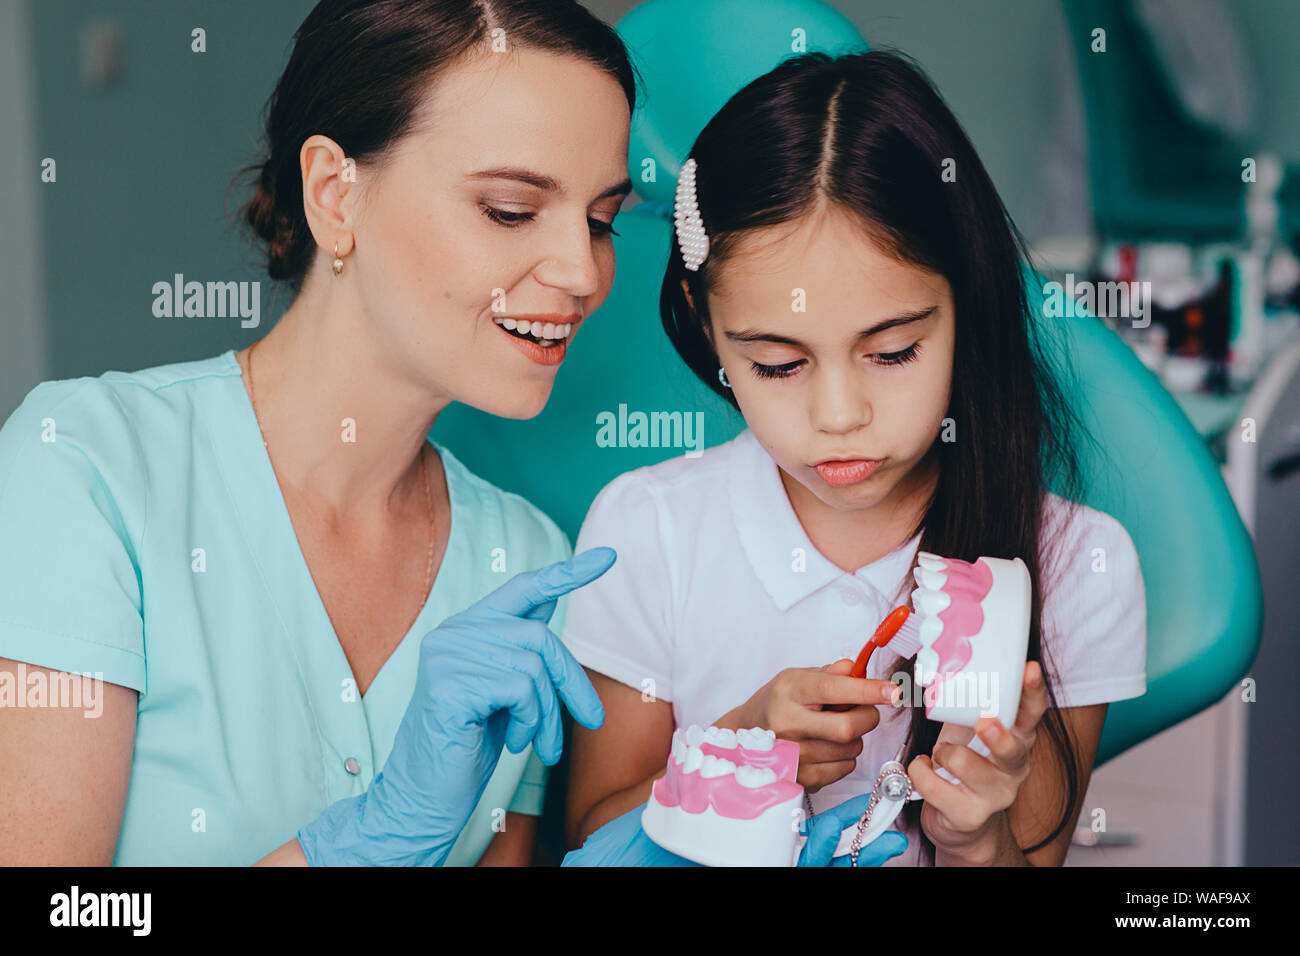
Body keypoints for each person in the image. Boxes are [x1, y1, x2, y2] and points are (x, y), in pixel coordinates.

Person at [0, 0, 638, 866]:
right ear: (336, 195)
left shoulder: (527, 563)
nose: (581, 272)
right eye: (511, 209)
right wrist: (365, 841)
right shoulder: (85, 470)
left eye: (600, 221)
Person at [562, 49, 1147, 867]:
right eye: (777, 364)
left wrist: (977, 837)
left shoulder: (1079, 564)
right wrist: (737, 756)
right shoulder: (645, 531)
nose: (839, 417)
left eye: (894, 352)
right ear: (704, 322)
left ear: (967, 308)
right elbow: (590, 839)